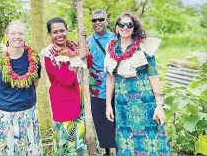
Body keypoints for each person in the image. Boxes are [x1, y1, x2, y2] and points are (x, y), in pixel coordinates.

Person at [105, 11, 171, 155]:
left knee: (153, 141)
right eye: (121, 24)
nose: (125, 27)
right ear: (117, 27)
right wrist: (108, 105)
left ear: (134, 27)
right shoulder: (111, 48)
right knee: (125, 142)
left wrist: (159, 106)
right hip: (122, 105)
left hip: (145, 103)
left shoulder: (144, 47)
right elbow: (110, 78)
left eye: (129, 24)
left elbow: (154, 77)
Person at [0, 21, 43, 155]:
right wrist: (6, 101)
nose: (17, 36)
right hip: (4, 116)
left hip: (27, 115)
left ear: (24, 35)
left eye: (20, 33)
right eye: (13, 33)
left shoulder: (33, 58)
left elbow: (35, 82)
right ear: (7, 35)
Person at [40, 17, 88, 156]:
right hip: (63, 99)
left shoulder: (73, 46)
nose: (59, 34)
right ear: (50, 34)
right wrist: (78, 59)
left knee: (80, 136)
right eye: (55, 32)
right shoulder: (49, 54)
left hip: (80, 97)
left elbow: (88, 63)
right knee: (68, 140)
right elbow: (66, 79)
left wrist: (84, 40)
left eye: (62, 30)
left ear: (67, 30)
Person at [86, 9, 116, 155]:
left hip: (115, 88)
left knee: (115, 120)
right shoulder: (87, 41)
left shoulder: (115, 39)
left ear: (106, 21)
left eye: (100, 19)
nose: (97, 22)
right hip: (96, 89)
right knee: (100, 121)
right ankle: (106, 150)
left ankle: (118, 148)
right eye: (94, 20)